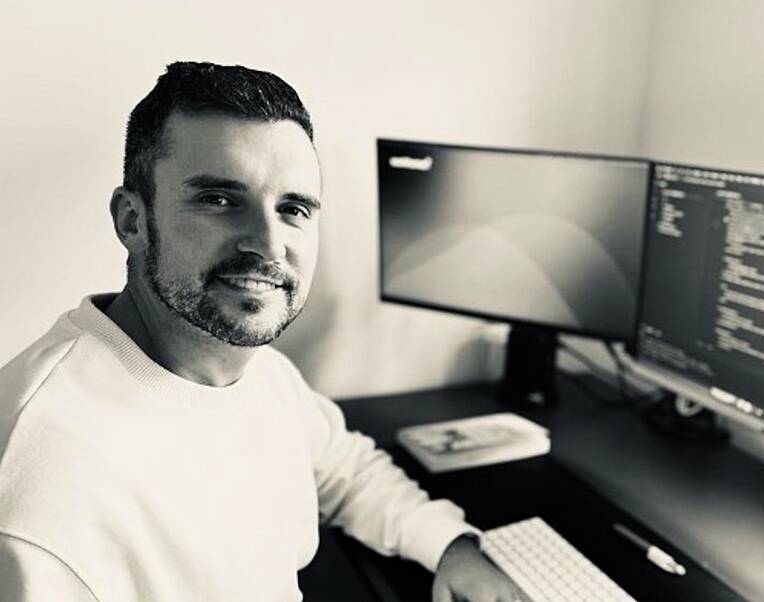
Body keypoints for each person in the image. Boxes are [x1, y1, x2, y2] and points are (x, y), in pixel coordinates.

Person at [0, 61, 526, 602]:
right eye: (220, 200)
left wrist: (452, 547)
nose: (268, 245)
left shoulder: (255, 368)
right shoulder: (41, 483)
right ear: (132, 220)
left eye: (293, 208)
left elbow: (347, 471)